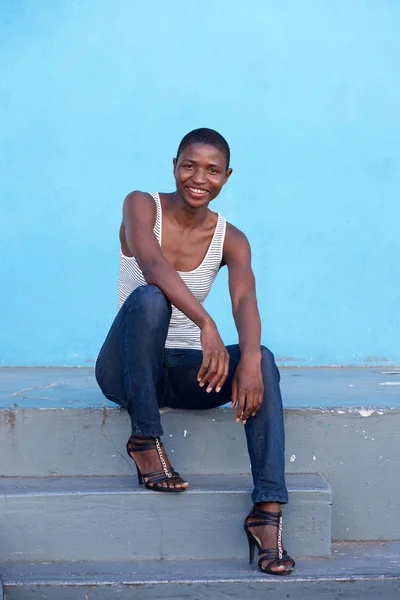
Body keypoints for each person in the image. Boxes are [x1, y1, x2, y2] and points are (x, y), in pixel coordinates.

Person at [95, 128, 295, 575]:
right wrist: (205, 320)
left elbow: (245, 300)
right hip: (126, 369)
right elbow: (152, 265)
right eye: (189, 165)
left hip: (184, 373)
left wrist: (247, 360)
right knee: (150, 297)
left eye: (211, 170)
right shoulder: (141, 204)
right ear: (174, 165)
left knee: (261, 358)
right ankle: (145, 438)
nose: (198, 177)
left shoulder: (232, 238)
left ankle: (266, 512)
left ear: (226, 176)